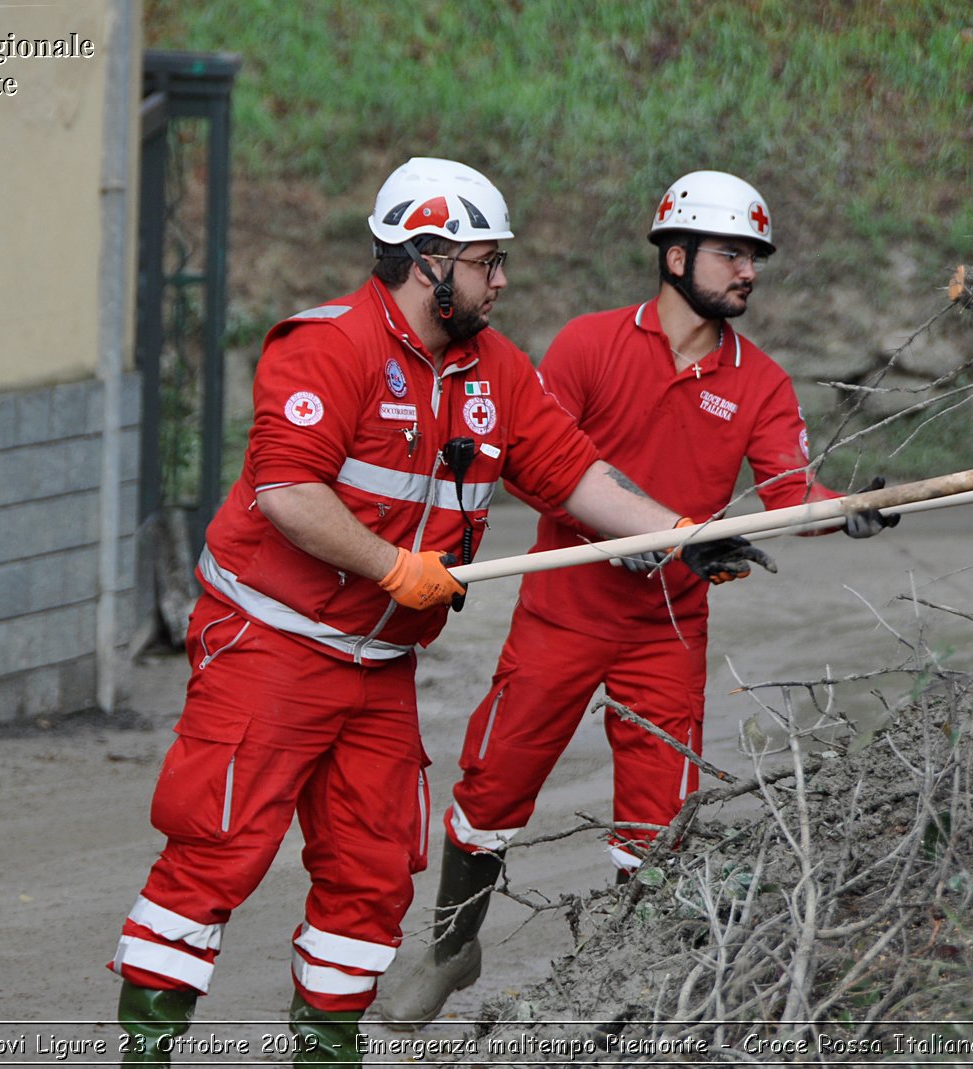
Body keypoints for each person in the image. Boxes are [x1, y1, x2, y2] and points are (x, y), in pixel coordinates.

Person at [105, 157, 719, 1066]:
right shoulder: (329, 345)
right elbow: (285, 492)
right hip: (270, 647)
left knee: (373, 873)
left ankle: (327, 1053)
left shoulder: (495, 368)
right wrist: (396, 567)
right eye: (485, 261)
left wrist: (679, 534)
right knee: (216, 850)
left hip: (378, 665)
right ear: (426, 259)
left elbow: (575, 474)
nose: (501, 280)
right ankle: (146, 1054)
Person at [379, 169, 898, 1029]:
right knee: (494, 785)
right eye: (732, 253)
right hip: (563, 608)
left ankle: (633, 991)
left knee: (660, 819)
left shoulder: (760, 381)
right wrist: (608, 544)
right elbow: (540, 466)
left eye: (754, 257)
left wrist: (847, 513)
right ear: (677, 252)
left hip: (668, 627)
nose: (748, 272)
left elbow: (789, 493)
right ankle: (450, 948)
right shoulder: (588, 345)